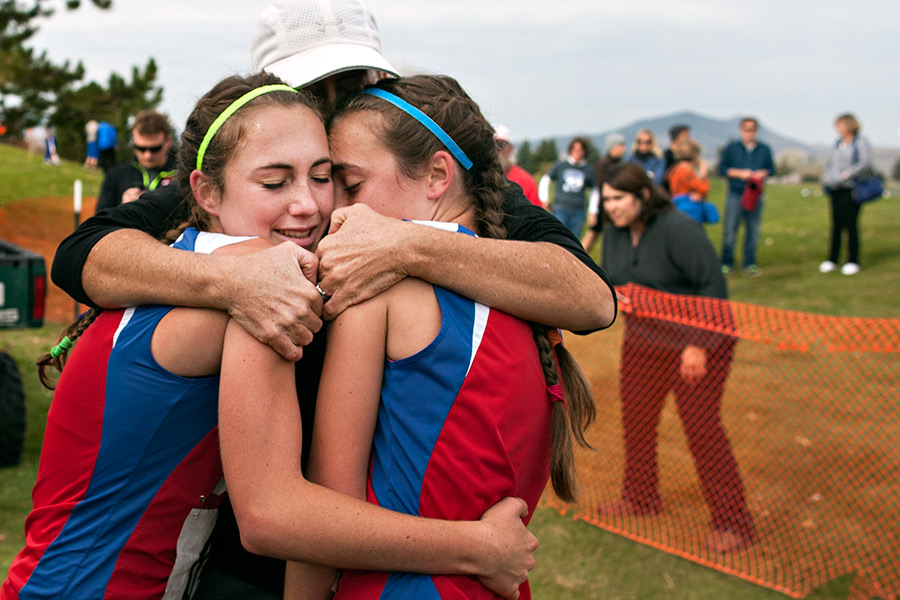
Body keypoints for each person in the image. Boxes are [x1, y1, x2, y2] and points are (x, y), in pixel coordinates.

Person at [49, 0, 616, 596]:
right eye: (315, 87)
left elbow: (589, 298)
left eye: (354, 82)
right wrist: (235, 280)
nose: (336, 101)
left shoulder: (404, 168)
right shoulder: (259, 167)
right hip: (257, 552)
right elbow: (84, 254)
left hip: (375, 548)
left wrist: (405, 245)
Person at [1, 72, 536, 600]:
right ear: (206, 192)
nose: (308, 204)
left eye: (324, 177)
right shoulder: (260, 278)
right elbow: (272, 516)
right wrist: (479, 546)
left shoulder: (183, 258)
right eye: (275, 182)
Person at [281, 73, 595, 600]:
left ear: (437, 175)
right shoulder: (527, 296)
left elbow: (326, 514)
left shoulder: (381, 287)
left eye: (352, 184)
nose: (335, 206)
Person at [597, 162, 756, 554]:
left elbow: (712, 285)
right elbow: (614, 278)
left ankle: (734, 523)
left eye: (618, 199)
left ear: (644, 196)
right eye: (606, 201)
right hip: (646, 340)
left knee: (701, 427)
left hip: (700, 342)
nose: (611, 207)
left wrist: (698, 344)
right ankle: (639, 497)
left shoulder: (680, 229)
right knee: (636, 419)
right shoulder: (615, 233)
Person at [718, 117, 775, 276]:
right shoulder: (731, 148)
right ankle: (727, 263)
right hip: (736, 193)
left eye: (752, 129)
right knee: (730, 230)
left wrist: (761, 173)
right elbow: (722, 169)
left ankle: (749, 263)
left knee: (753, 230)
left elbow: (771, 169)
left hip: (755, 194)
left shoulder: (764, 149)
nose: (749, 132)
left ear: (756, 131)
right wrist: (740, 174)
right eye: (746, 129)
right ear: (741, 130)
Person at [819, 113, 873, 276]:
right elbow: (831, 163)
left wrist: (847, 174)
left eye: (840, 125)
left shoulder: (860, 142)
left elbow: (865, 163)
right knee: (836, 224)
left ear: (849, 125)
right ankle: (832, 259)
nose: (838, 128)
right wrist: (827, 178)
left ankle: (852, 260)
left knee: (850, 224)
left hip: (852, 188)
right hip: (835, 188)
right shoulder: (837, 143)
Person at [95, 110, 177, 212]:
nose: (148, 155)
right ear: (133, 141)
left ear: (168, 141)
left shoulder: (183, 175)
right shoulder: (115, 176)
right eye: (141, 148)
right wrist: (123, 209)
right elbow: (99, 223)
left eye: (155, 149)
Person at [538, 136, 596, 236]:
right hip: (561, 208)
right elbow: (546, 179)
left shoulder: (588, 170)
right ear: (571, 150)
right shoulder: (561, 166)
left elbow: (594, 191)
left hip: (578, 210)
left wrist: (593, 210)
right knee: (557, 237)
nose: (577, 152)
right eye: (575, 149)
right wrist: (544, 199)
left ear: (584, 152)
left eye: (580, 150)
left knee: (574, 240)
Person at [581, 133, 626, 252]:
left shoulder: (620, 164)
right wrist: (593, 211)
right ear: (613, 147)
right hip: (602, 208)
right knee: (593, 235)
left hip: (609, 207)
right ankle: (575, 260)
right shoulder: (603, 165)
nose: (623, 149)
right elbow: (596, 189)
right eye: (620, 146)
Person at [666, 138, 718, 225]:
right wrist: (703, 175)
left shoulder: (674, 170)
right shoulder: (685, 171)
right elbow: (702, 190)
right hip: (690, 211)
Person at [494, 123, 540, 205]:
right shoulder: (474, 178)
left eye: (500, 145)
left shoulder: (526, 181)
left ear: (510, 148)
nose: (496, 150)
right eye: (490, 145)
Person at [662, 123, 691, 189]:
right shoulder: (666, 156)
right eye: (685, 136)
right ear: (677, 137)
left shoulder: (687, 157)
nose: (688, 139)